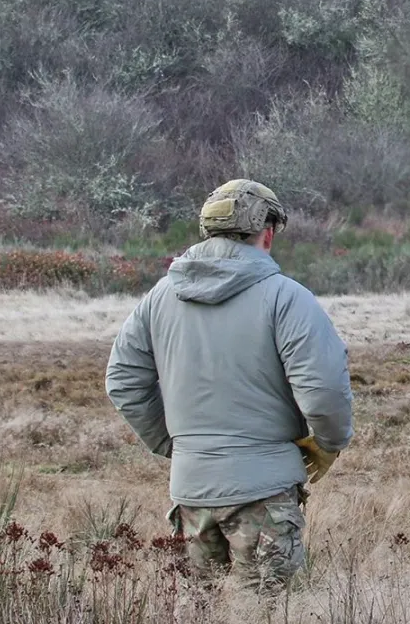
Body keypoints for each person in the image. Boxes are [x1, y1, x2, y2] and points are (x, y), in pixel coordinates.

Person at [105, 179, 353, 592]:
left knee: (200, 610)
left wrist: (176, 445)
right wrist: (329, 444)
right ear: (268, 232)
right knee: (269, 611)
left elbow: (123, 381)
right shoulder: (287, 298)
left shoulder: (158, 298)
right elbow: (324, 389)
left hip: (191, 491)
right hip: (265, 491)